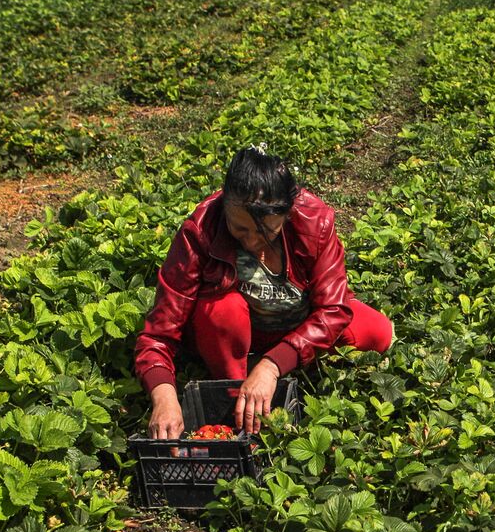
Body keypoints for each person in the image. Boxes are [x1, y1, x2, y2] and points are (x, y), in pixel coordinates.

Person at [136, 145, 394, 438]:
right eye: (240, 229)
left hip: (294, 324)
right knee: (222, 310)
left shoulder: (315, 221)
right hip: (232, 331)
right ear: (225, 205)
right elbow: (158, 333)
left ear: (287, 214)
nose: (252, 241)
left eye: (266, 232)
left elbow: (333, 309)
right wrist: (164, 396)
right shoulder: (200, 231)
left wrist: (273, 365)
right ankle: (234, 390)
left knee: (377, 332)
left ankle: (266, 366)